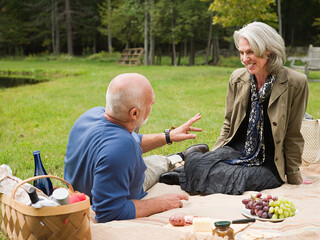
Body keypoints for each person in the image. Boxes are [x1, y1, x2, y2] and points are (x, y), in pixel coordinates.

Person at [160, 21, 311, 195]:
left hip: (268, 162)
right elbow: (228, 123)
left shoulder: (295, 82)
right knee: (200, 161)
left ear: (268, 50)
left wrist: (293, 175)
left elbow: (293, 134)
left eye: (250, 52)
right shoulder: (237, 78)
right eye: (241, 52)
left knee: (237, 176)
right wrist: (212, 157)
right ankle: (194, 168)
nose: (244, 59)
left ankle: (184, 176)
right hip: (237, 150)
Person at [64, 73, 209, 223]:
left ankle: (176, 158)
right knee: (155, 166)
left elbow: (124, 142)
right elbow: (107, 212)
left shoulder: (92, 115)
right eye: (150, 103)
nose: (153, 105)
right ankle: (176, 159)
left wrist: (169, 136)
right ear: (134, 113)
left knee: (155, 161)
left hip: (96, 180)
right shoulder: (122, 148)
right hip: (118, 185)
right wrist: (161, 202)